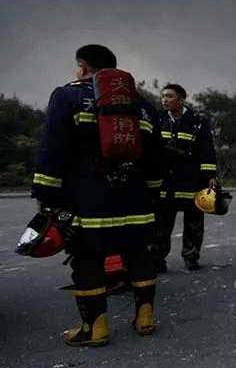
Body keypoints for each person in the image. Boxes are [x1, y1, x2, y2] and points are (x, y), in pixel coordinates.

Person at [31, 44, 166, 346]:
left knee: (87, 258)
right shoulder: (142, 104)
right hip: (135, 197)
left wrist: (44, 193)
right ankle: (145, 318)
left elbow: (53, 150)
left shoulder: (67, 97)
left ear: (82, 67)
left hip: (87, 199)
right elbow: (155, 156)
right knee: (139, 253)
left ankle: (95, 328)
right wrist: (152, 190)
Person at [152, 83, 218, 272]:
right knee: (161, 224)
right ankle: (157, 259)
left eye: (170, 96)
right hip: (166, 182)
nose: (165, 99)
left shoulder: (197, 122)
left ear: (181, 99)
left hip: (191, 180)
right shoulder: (158, 119)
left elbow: (207, 151)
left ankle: (191, 257)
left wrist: (210, 176)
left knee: (194, 222)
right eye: (163, 96)